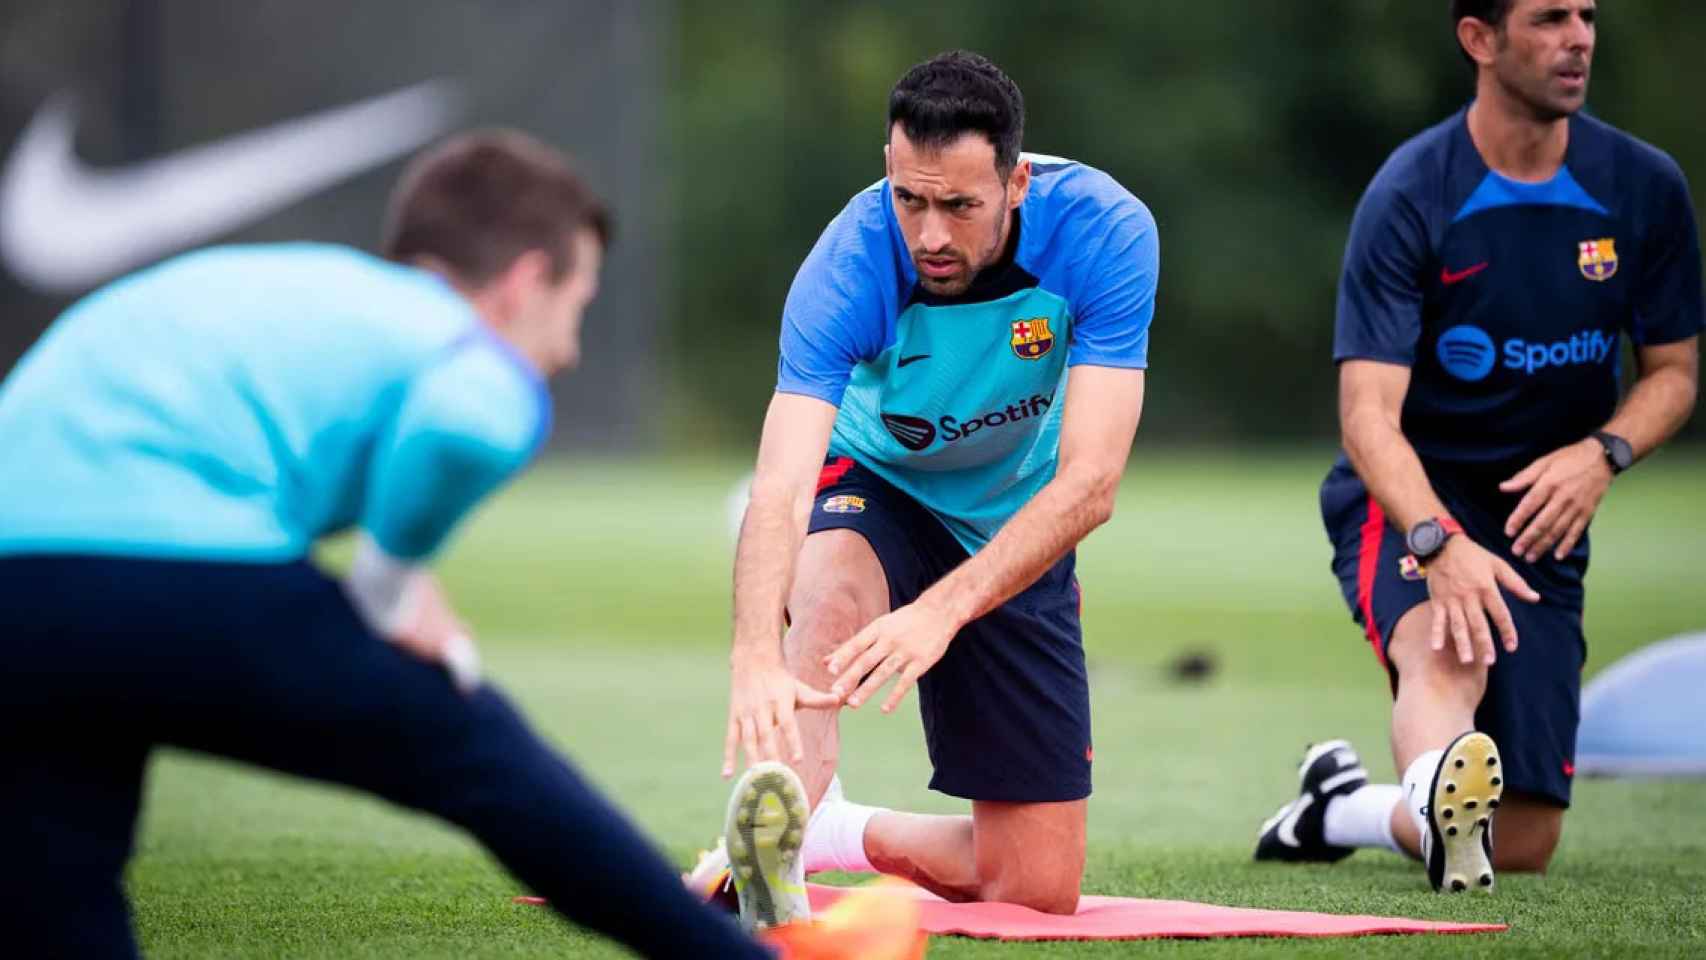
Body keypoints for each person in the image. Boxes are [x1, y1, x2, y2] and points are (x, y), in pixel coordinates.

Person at [0, 130, 795, 958]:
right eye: (577, 304)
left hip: (14, 591)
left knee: (61, 890)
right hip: (169, 571)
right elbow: (465, 423)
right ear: (525, 283)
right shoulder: (449, 336)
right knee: (475, 747)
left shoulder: (304, 290)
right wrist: (387, 585)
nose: (570, 348)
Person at [700, 50, 1158, 926]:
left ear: (1017, 182)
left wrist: (941, 611)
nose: (931, 235)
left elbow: (1092, 483)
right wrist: (755, 652)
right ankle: (770, 870)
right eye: (910, 199)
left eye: (959, 204)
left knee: (1034, 888)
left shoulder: (1106, 231)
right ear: (887, 170)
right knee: (828, 597)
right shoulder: (846, 266)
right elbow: (781, 487)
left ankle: (833, 832)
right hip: (877, 479)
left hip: (1016, 514)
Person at [1254, 0, 1701, 893]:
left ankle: (1336, 807)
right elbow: (1368, 415)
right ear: (1479, 40)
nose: (1578, 37)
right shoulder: (1414, 191)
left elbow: (1677, 373)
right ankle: (1430, 794)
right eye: (1548, 18)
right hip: (1410, 495)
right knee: (1446, 654)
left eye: (1586, 15)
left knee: (1525, 842)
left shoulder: (1645, 186)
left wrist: (1600, 453)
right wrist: (1437, 540)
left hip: (1543, 516)